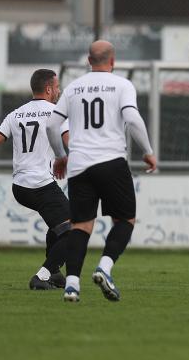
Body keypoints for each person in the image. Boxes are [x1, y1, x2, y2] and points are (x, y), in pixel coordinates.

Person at [45, 40, 157, 303]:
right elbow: (131, 118)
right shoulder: (122, 85)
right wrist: (148, 150)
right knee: (125, 220)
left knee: (81, 225)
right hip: (111, 161)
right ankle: (104, 267)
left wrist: (61, 157)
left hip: (79, 165)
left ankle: (71, 285)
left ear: (88, 60)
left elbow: (52, 125)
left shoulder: (72, 88)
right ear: (113, 60)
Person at [0, 68, 71, 290]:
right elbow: (72, 144)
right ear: (49, 89)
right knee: (75, 229)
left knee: (58, 225)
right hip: (40, 184)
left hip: (20, 187)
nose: (58, 91)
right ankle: (42, 276)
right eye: (57, 87)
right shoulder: (56, 113)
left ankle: (56, 272)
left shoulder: (16, 113)